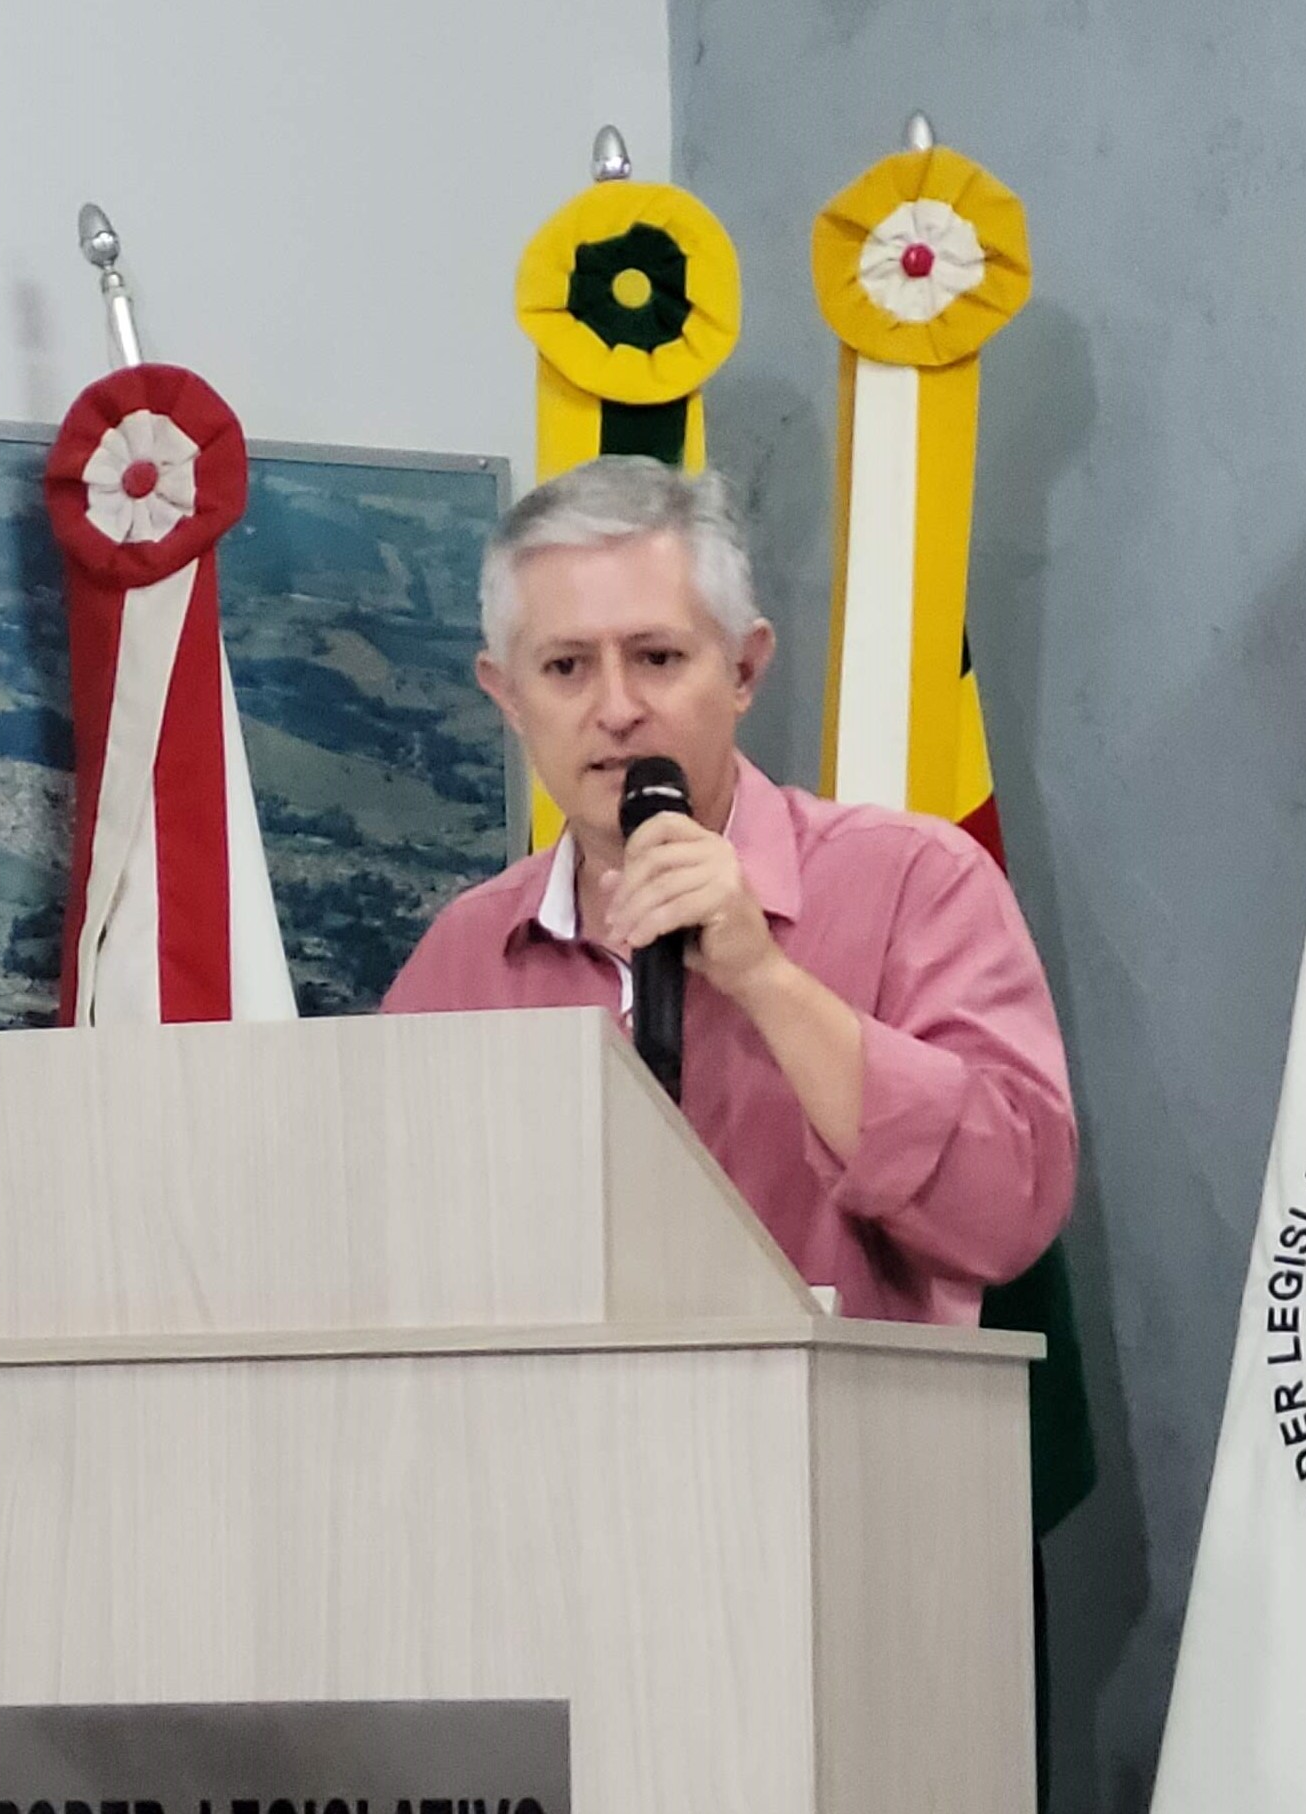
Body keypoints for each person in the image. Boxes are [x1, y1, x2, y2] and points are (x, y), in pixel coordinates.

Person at [383, 456, 1075, 1323]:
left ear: (744, 669)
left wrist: (766, 980)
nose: (616, 708)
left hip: (830, 1413)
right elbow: (378, 1249)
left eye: (657, 657)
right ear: (508, 697)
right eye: (565, 667)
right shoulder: (464, 955)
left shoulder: (912, 881)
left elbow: (1008, 1217)